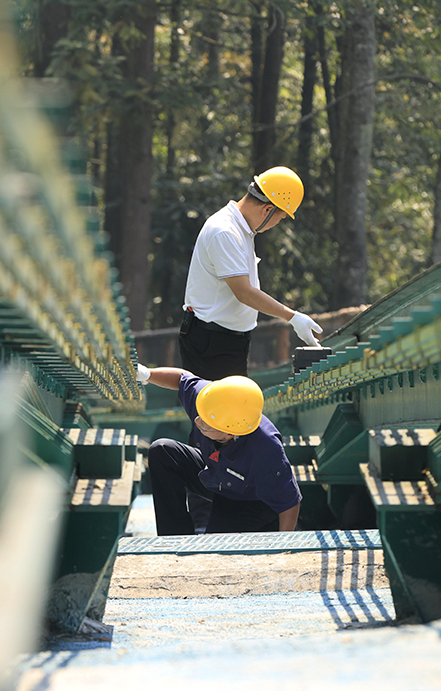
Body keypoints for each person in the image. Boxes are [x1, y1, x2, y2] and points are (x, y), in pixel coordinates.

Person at [180, 165, 323, 381]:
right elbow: (244, 292)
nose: (277, 224)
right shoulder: (225, 232)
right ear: (267, 210)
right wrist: (292, 317)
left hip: (227, 341)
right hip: (211, 342)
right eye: (281, 218)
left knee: (233, 412)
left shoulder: (242, 229)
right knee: (218, 413)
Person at [136, 364, 301, 535]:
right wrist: (147, 374)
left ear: (229, 434)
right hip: (215, 475)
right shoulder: (210, 403)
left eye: (206, 424)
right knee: (162, 451)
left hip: (249, 501)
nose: (198, 420)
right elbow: (182, 378)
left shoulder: (265, 449)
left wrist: (282, 545)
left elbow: (289, 503)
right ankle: (174, 539)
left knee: (215, 549)